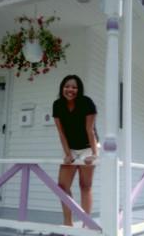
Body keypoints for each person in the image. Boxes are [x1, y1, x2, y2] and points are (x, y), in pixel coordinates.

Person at [52, 74, 98, 226]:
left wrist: (94, 154)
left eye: (74, 87)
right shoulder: (57, 105)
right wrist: (67, 154)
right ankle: (68, 223)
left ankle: (86, 224)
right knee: (62, 187)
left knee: (85, 186)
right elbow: (61, 132)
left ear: (79, 89)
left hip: (88, 146)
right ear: (62, 88)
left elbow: (90, 130)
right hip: (71, 148)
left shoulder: (86, 102)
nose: (70, 89)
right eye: (67, 86)